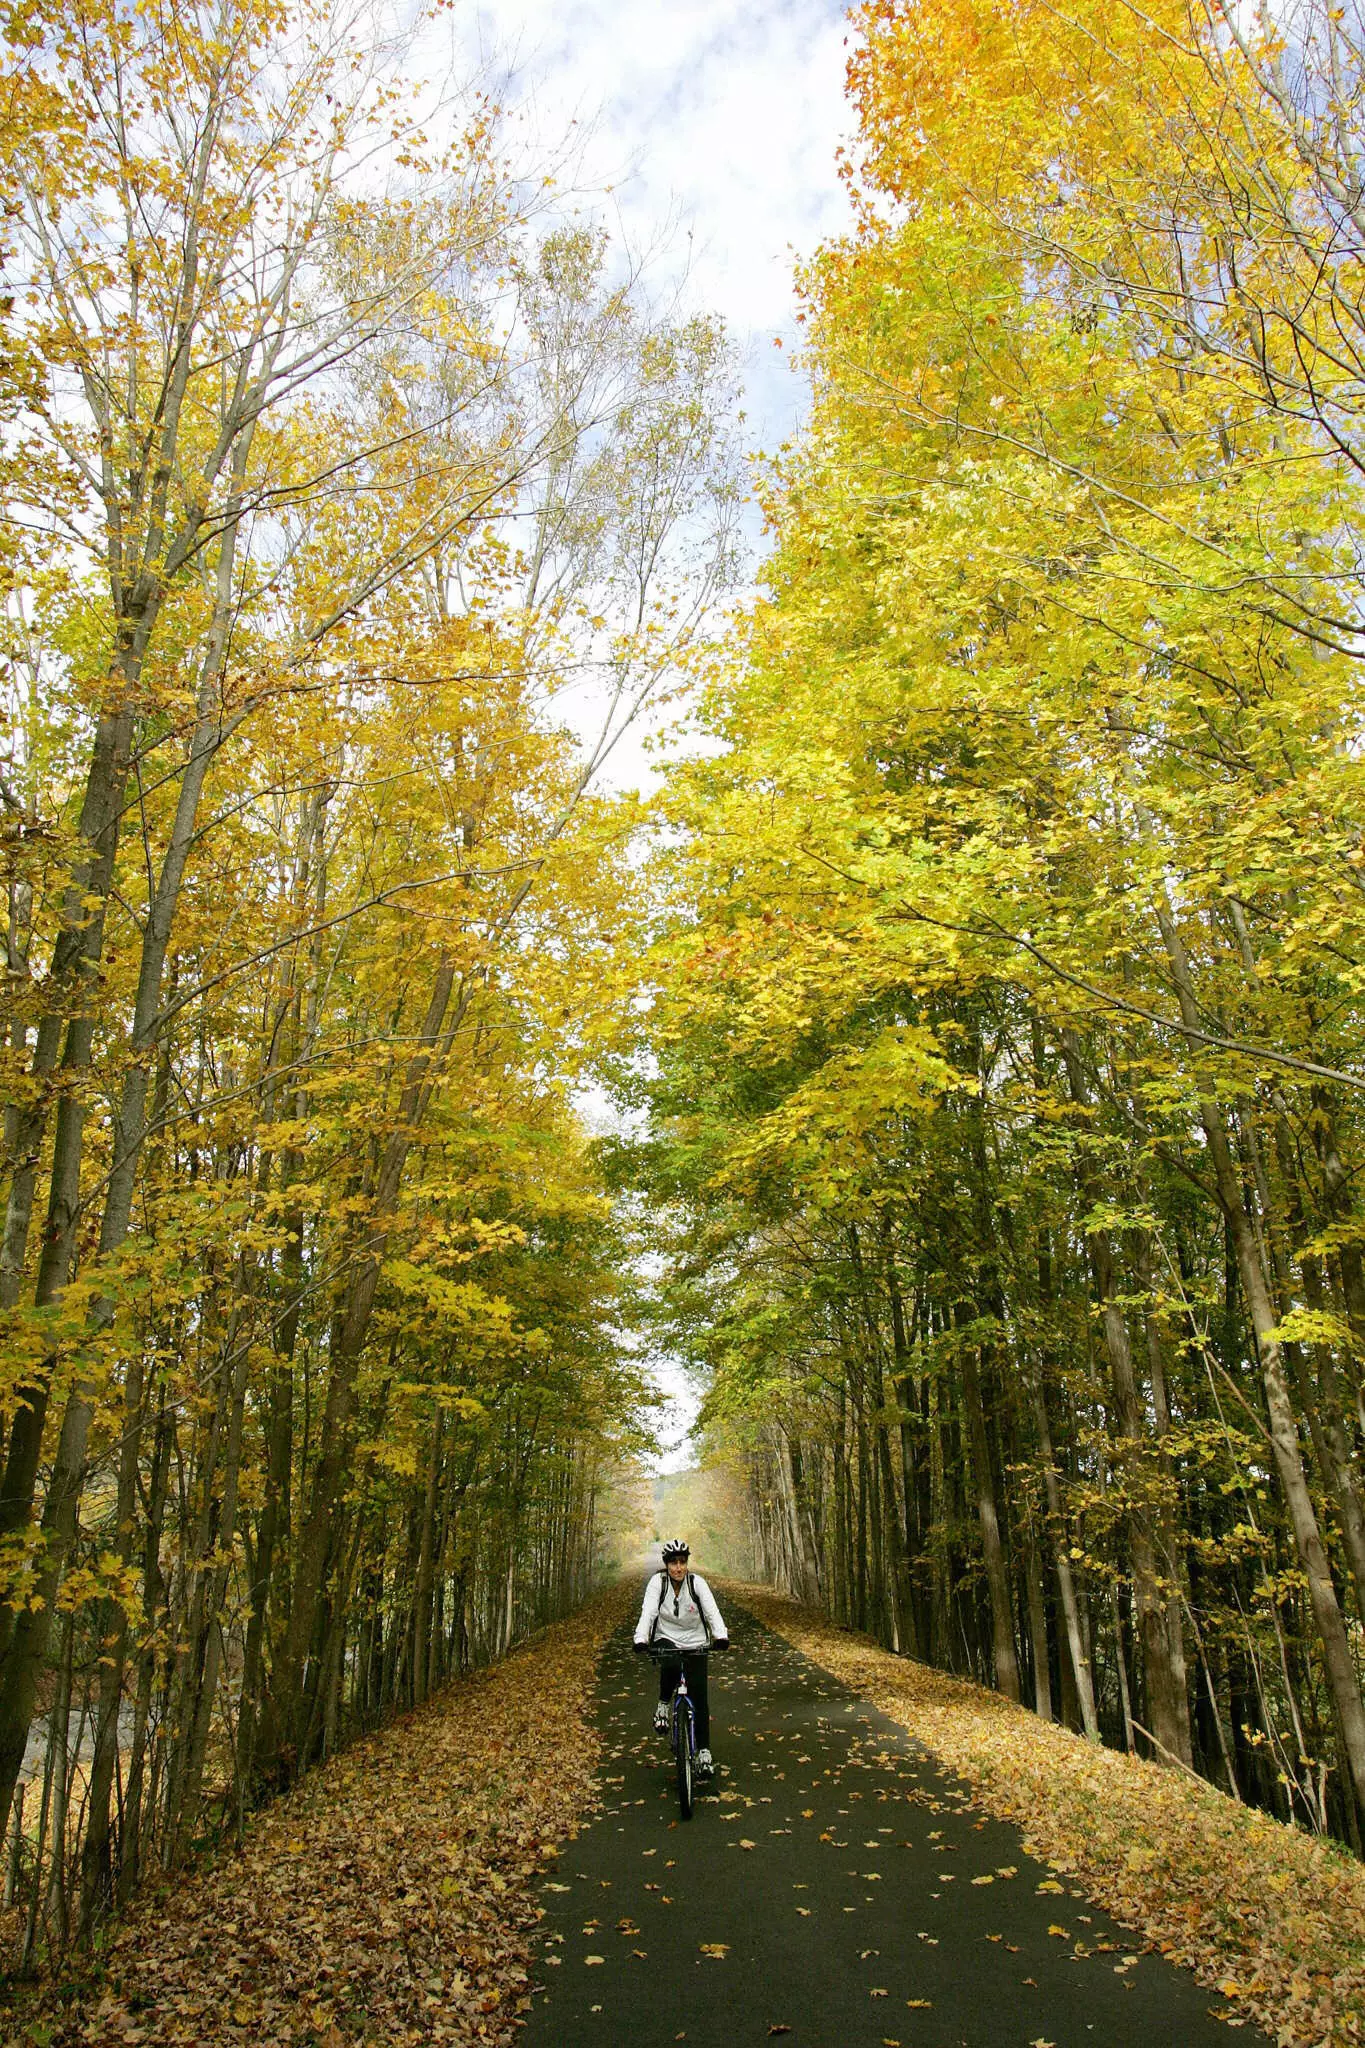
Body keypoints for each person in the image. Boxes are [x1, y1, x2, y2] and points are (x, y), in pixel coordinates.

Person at [633, 1538, 728, 1776]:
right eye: (673, 1563)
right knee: (672, 1664)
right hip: (667, 1638)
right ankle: (664, 1704)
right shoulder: (658, 1583)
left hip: (695, 1642)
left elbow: (712, 1611)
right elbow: (649, 1612)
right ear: (666, 1564)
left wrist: (721, 1636)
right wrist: (641, 1639)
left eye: (682, 1562)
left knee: (699, 1697)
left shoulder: (697, 1584)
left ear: (687, 1563)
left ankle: (704, 1752)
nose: (678, 1567)